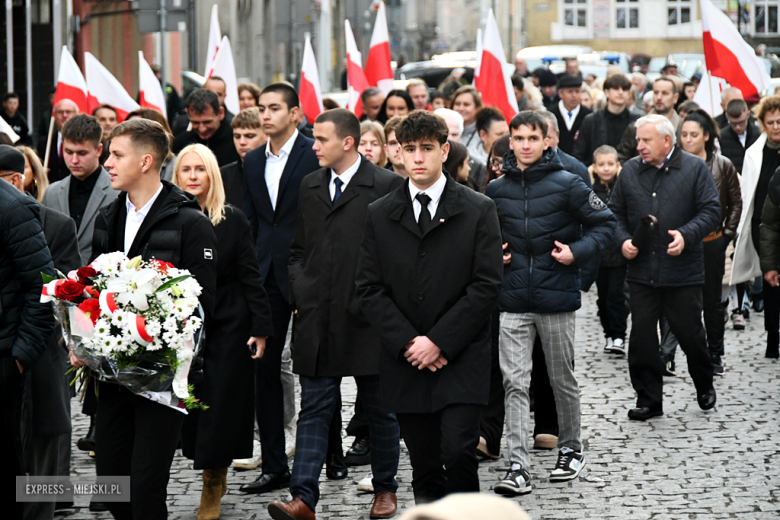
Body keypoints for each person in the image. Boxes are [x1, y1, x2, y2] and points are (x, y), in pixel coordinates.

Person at [356, 110, 504, 504]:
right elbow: (368, 288)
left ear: (444, 150)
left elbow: (486, 285)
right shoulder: (379, 213)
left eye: (426, 149)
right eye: (409, 150)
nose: (418, 158)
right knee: (423, 465)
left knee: (457, 453)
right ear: (398, 154)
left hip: (462, 355)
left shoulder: (477, 208)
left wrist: (438, 341)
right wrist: (410, 342)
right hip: (406, 361)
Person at [268, 108, 404, 520]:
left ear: (347, 142)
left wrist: (378, 303)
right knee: (314, 409)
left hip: (369, 320)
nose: (313, 146)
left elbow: (398, 258)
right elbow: (298, 247)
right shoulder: (310, 184)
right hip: (317, 318)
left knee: (380, 409)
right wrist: (301, 289)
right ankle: (303, 498)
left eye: (321, 139)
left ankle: (385, 490)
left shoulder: (386, 185)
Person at [85, 118, 218, 520]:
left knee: (145, 486)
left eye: (116, 154)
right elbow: (93, 287)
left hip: (161, 379)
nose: (107, 162)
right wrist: (82, 337)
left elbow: (202, 304)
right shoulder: (108, 217)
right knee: (112, 481)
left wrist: (156, 331)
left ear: (146, 162)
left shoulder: (190, 222)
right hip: (110, 376)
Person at [487, 111, 615, 496]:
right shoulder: (495, 191)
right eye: (518, 138)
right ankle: (517, 464)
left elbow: (605, 224)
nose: (525, 145)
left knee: (562, 379)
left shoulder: (568, 184)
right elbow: (483, 240)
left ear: (547, 141)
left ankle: (571, 448)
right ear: (510, 141)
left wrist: (576, 252)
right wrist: (497, 255)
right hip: (511, 300)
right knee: (514, 382)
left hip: (556, 298)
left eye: (532, 138)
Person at [174, 144, 273, 520]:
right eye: (187, 169)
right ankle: (206, 469)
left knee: (219, 407)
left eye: (201, 169)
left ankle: (213, 483)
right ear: (177, 175)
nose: (194, 176)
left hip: (229, 323)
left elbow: (251, 276)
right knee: (191, 407)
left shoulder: (232, 220)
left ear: (212, 175)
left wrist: (260, 328)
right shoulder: (168, 219)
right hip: (181, 326)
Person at [609, 114, 720, 422]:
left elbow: (712, 210)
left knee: (691, 334)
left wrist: (687, 234)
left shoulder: (695, 168)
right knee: (642, 337)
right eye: (638, 140)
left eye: (646, 140)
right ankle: (648, 400)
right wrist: (622, 241)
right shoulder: (630, 170)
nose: (639, 146)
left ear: (667, 141)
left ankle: (704, 382)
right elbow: (614, 213)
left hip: (681, 271)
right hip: (642, 271)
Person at [241, 83, 320, 495]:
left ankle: (332, 457)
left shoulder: (314, 154)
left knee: (318, 369)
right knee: (265, 372)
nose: (265, 115)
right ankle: (274, 465)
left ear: (295, 113)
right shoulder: (253, 160)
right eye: (261, 108)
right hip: (266, 276)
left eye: (274, 108)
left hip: (309, 273)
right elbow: (254, 221)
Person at [0, 145, 75, 520]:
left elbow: (52, 294)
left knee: (40, 462)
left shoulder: (53, 222)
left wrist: (19, 356)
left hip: (37, 359)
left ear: (18, 179)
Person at [677, 109, 742, 374]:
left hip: (713, 241)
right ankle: (679, 353)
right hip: (681, 242)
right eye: (683, 135)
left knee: (713, 302)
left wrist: (727, 233)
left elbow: (736, 202)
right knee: (683, 302)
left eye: (693, 135)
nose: (688, 140)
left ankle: (715, 354)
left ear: (706, 136)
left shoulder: (722, 164)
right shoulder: (675, 165)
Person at [732, 96, 780, 358]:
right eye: (770, 122)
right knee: (772, 281)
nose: (776, 127)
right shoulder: (754, 153)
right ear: (762, 123)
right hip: (763, 226)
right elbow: (748, 193)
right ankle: (773, 338)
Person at [42, 114, 120, 265]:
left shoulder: (118, 192)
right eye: (69, 152)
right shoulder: (51, 193)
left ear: (98, 150)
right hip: (58, 283)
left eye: (82, 153)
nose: (74, 160)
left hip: (101, 282)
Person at [589, 145, 628, 354]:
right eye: (601, 165)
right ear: (594, 167)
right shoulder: (589, 190)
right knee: (603, 298)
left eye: (610, 164)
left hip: (619, 255)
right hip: (599, 255)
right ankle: (608, 334)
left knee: (617, 295)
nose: (606, 169)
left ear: (618, 166)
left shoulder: (621, 188)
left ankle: (619, 335)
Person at [574, 74, 640, 167]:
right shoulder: (591, 120)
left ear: (629, 94)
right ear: (606, 92)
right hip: (595, 175)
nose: (620, 92)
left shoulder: (638, 121)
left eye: (624, 89)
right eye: (616, 88)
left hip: (628, 174)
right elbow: (579, 152)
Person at [617, 77, 681, 163]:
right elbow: (622, 160)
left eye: (665, 93)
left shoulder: (684, 128)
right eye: (656, 93)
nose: (659, 97)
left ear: (675, 98)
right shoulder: (636, 127)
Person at [172, 89, 240, 166]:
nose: (202, 129)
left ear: (221, 113)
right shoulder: (180, 144)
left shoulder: (237, 143)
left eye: (207, 122)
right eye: (196, 123)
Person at [219, 108, 266, 207]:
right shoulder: (223, 175)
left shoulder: (278, 173)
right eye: (237, 136)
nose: (242, 142)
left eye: (249, 136)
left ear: (267, 136)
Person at [126, 108, 178, 182]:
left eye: (134, 130)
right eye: (126, 130)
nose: (128, 135)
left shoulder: (175, 167)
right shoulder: (117, 163)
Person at [37, 98, 79, 183]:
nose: (64, 115)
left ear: (76, 115)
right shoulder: (44, 143)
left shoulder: (83, 142)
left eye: (68, 112)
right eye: (60, 112)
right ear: (54, 116)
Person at [550, 74, 592, 156]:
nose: (574, 96)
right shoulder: (551, 114)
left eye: (577, 91)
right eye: (570, 91)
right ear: (560, 94)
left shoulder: (588, 115)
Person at [719, 99, 760, 174]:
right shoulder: (722, 137)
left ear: (748, 114)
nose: (737, 127)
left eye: (741, 123)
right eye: (733, 124)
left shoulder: (759, 134)